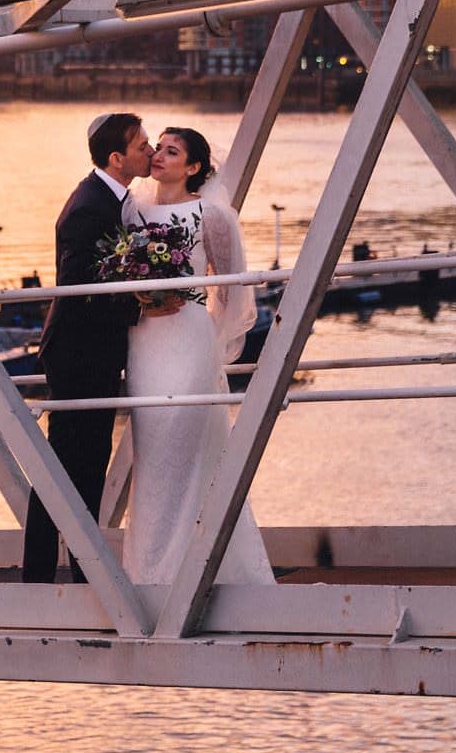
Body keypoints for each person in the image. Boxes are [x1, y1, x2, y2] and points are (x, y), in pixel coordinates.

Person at [123, 127, 274, 586]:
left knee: (183, 441)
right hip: (145, 341)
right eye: (159, 148)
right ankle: (148, 572)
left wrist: (207, 334)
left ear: (193, 168)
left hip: (189, 338)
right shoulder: (132, 210)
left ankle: (187, 570)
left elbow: (231, 289)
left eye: (173, 151)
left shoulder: (212, 214)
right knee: (150, 450)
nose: (160, 156)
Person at [21, 111, 149, 584]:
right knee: (68, 466)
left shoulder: (108, 198)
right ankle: (44, 574)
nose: (150, 151)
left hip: (91, 353)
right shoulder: (88, 209)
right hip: (78, 356)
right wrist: (143, 303)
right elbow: (81, 290)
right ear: (117, 158)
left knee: (83, 465)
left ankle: (78, 568)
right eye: (142, 146)